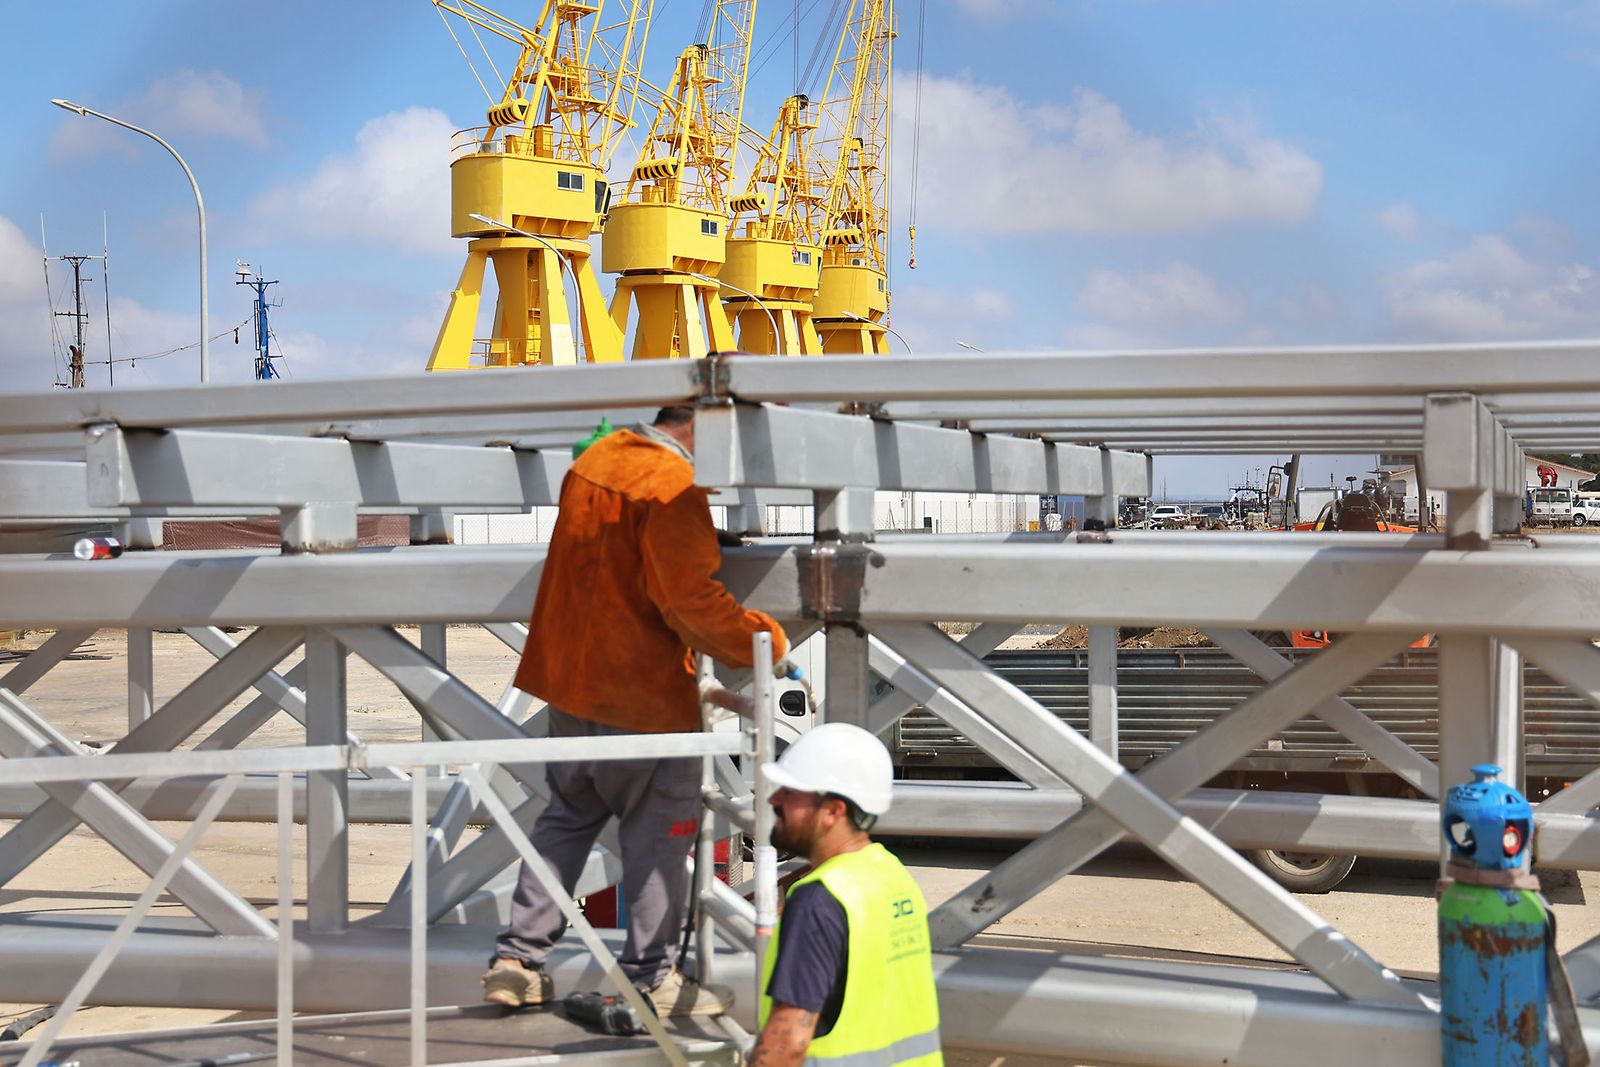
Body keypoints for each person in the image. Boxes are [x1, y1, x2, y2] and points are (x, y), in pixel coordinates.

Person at [483, 404, 789, 1015]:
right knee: (659, 838)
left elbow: (615, 557)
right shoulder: (672, 487)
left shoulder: (597, 460)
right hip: (643, 700)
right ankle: (653, 977)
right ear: (710, 424)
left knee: (566, 819)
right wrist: (766, 642)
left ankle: (517, 962)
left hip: (572, 685)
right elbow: (688, 603)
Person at [752, 723, 942, 1067]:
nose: (773, 799)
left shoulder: (819, 899)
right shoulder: (893, 874)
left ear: (833, 811)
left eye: (791, 792)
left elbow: (788, 1042)